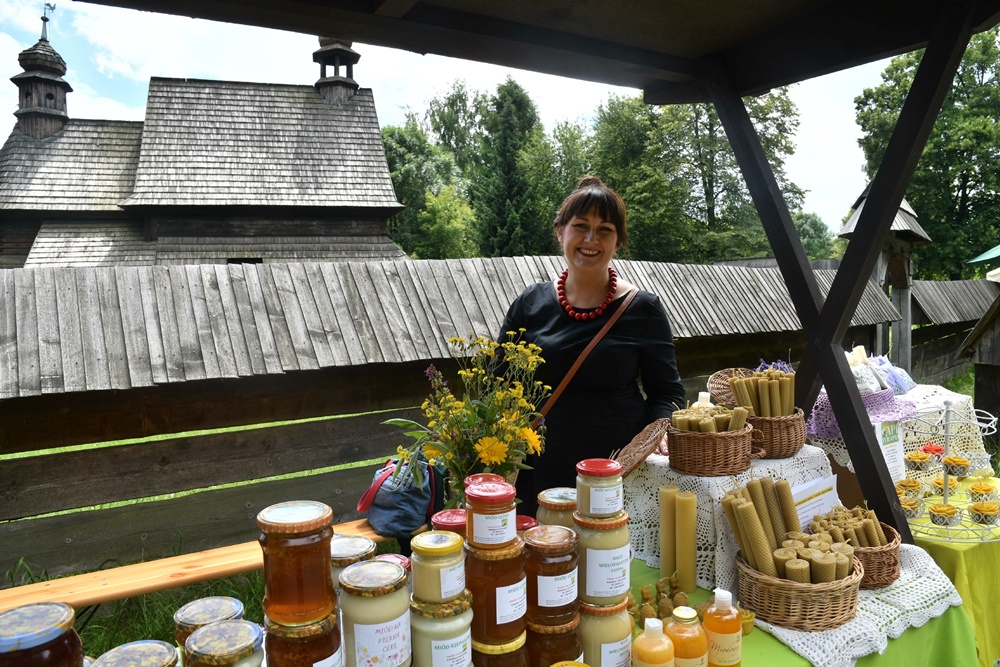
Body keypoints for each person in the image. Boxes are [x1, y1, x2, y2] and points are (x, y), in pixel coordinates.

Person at [500, 176, 686, 516]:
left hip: (615, 472)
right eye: (581, 226)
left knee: (608, 563)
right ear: (560, 231)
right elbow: (498, 383)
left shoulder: (642, 309)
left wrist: (660, 431)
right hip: (539, 470)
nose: (591, 239)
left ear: (618, 241)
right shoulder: (530, 303)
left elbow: (667, 392)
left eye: (605, 230)